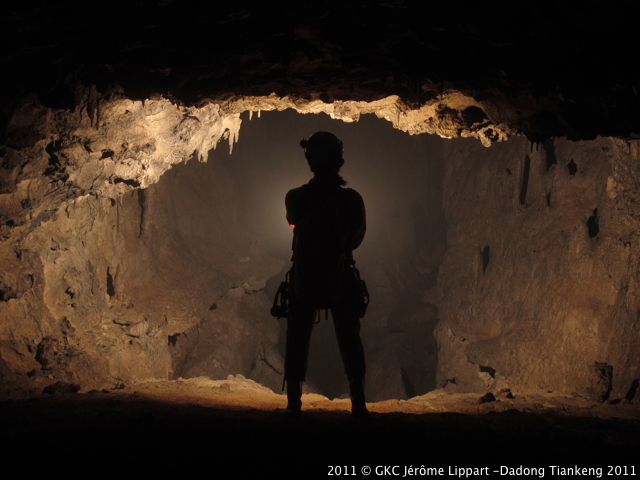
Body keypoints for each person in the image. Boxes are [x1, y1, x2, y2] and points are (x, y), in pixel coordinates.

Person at [282, 131, 369, 419]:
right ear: (339, 159)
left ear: (309, 161)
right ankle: (358, 403)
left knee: (297, 335)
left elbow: (294, 223)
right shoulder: (353, 200)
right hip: (340, 276)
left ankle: (294, 404)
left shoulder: (295, 197)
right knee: (349, 337)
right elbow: (355, 239)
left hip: (305, 278)